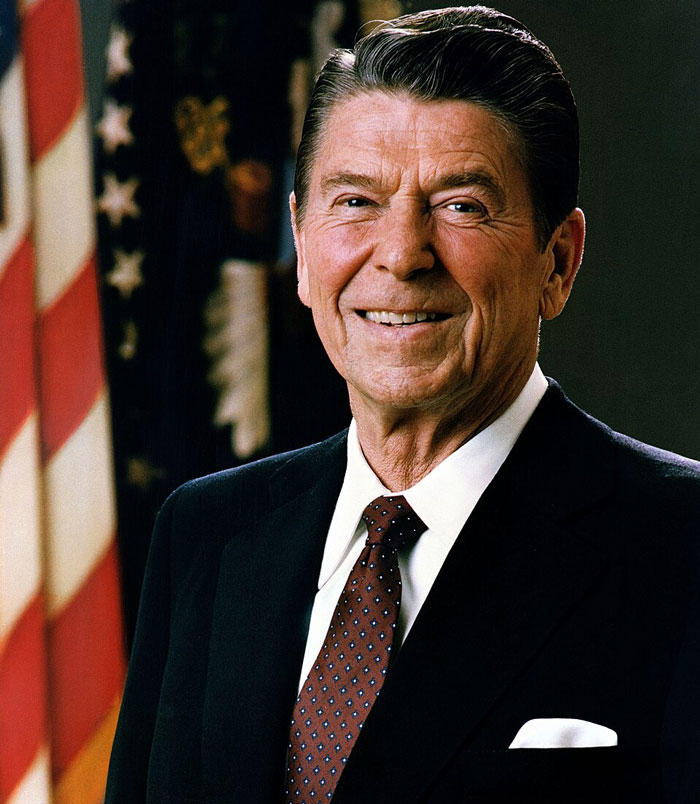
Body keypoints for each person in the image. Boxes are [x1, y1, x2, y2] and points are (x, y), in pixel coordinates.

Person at [105, 6, 700, 803]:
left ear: (558, 262)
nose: (400, 254)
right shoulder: (207, 537)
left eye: (461, 205)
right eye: (355, 202)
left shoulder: (680, 549)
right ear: (302, 245)